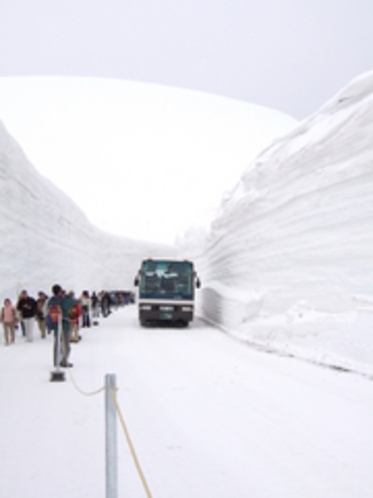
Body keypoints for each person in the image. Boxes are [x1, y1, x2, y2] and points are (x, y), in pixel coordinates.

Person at [47, 284, 77, 367]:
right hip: (65, 324)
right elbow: (74, 303)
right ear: (60, 291)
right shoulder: (64, 300)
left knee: (57, 343)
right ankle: (64, 361)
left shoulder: (51, 301)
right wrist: (66, 296)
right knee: (66, 344)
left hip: (55, 325)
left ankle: (56, 360)